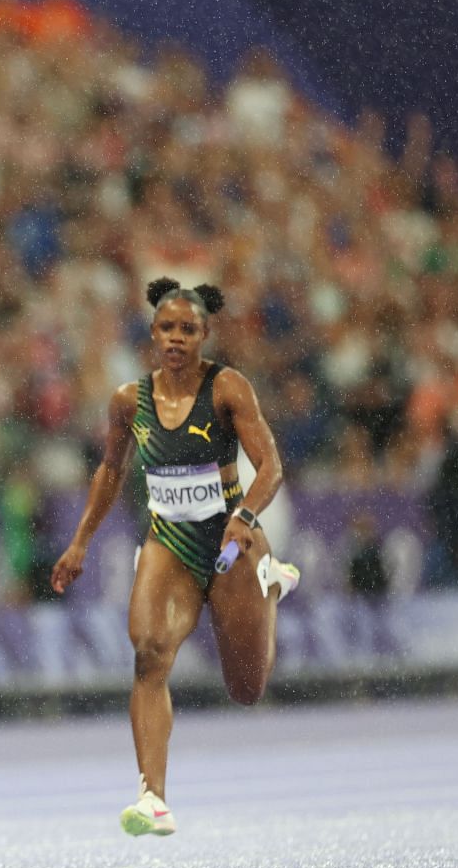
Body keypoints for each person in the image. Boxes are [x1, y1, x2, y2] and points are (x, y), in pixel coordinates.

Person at [50, 278, 300, 836]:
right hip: (168, 539)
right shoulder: (128, 402)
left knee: (246, 690)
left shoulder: (228, 388)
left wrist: (247, 519)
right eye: (167, 328)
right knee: (148, 653)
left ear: (205, 335)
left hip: (231, 540)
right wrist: (80, 541)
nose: (177, 338)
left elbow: (272, 467)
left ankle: (272, 585)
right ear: (153, 333)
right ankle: (152, 798)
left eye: (188, 329)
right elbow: (110, 472)